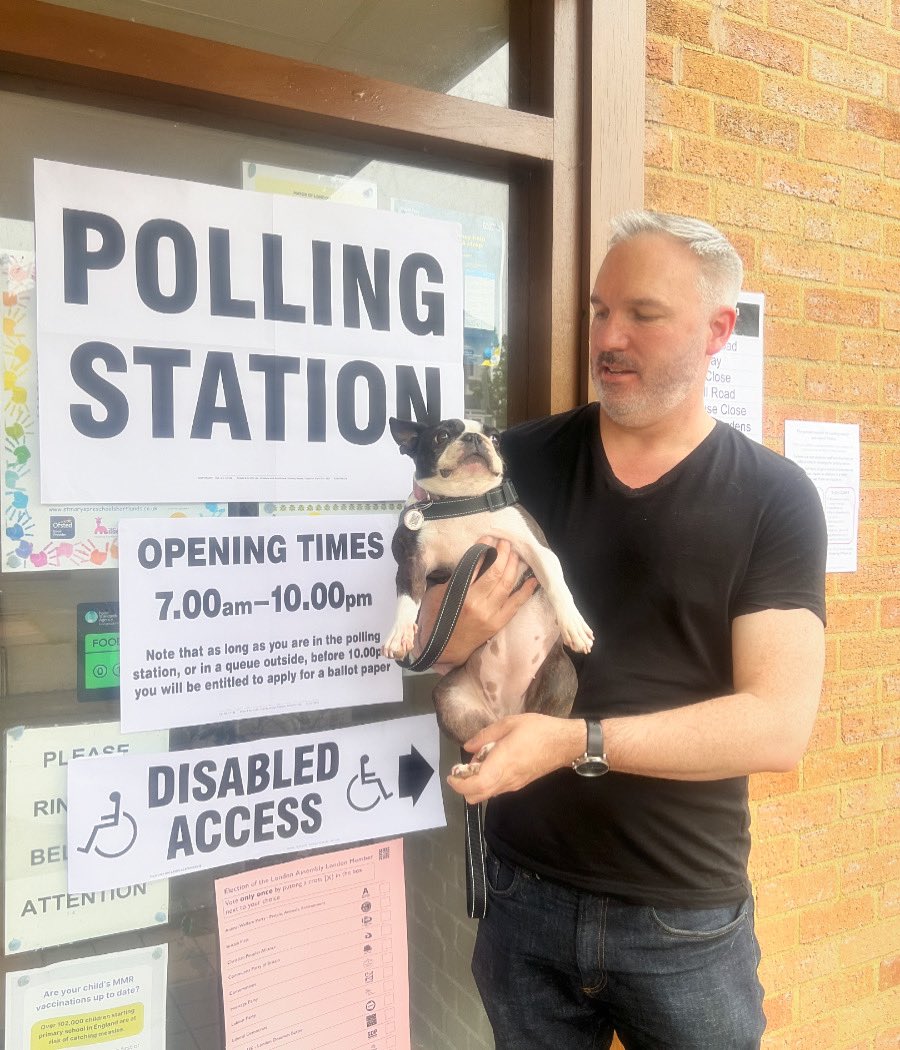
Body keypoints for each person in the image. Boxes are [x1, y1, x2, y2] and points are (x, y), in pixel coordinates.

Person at [433, 212, 827, 1049]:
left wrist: (573, 741)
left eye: (642, 314)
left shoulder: (772, 497)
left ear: (718, 329)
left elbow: (779, 723)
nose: (608, 336)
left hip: (682, 916)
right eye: (599, 310)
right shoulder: (515, 463)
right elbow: (432, 638)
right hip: (522, 895)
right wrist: (455, 628)